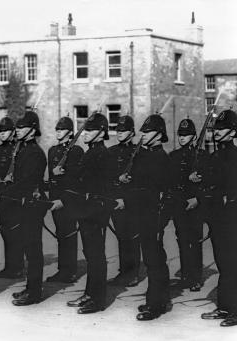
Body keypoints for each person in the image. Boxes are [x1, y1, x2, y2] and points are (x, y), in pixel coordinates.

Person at [0, 110, 47, 306]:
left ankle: (34, 292)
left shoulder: (34, 153)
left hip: (32, 204)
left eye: (22, 127)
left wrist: (3, 195)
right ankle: (31, 287)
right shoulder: (23, 150)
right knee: (28, 248)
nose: (19, 130)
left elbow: (26, 183)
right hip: (24, 205)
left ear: (32, 131)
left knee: (33, 250)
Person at [121, 114, 171, 321]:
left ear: (159, 135)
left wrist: (162, 219)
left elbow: (167, 192)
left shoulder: (162, 158)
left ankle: (156, 304)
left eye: (147, 131)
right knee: (151, 258)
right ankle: (157, 299)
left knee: (155, 259)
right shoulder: (141, 155)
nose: (143, 134)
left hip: (155, 214)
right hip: (140, 213)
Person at [66, 112, 111, 314]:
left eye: (90, 130)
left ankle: (97, 299)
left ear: (101, 134)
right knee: (90, 254)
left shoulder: (102, 154)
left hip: (96, 210)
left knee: (96, 255)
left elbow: (99, 185)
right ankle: (90, 294)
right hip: (87, 209)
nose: (84, 133)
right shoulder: (91, 152)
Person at [201, 109, 237, 327]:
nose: (217, 132)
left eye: (222, 129)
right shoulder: (214, 156)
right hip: (218, 218)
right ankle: (225, 306)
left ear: (233, 133)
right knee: (223, 263)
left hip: (233, 216)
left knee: (233, 264)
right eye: (216, 128)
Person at [46, 116, 84, 283]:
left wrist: (64, 199)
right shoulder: (52, 150)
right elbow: (51, 178)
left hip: (68, 199)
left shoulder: (76, 151)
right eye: (57, 129)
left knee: (68, 234)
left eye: (61, 130)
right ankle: (63, 269)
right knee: (60, 234)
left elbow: (76, 180)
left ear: (70, 133)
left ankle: (69, 271)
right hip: (54, 199)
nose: (58, 132)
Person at [169, 119, 204, 291]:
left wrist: (197, 198)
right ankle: (185, 276)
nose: (182, 138)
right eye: (180, 135)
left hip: (195, 204)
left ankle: (196, 277)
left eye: (186, 135)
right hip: (179, 204)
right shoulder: (173, 156)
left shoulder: (202, 155)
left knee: (195, 240)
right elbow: (170, 181)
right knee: (182, 239)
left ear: (194, 136)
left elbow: (207, 184)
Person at [107, 115, 140, 287]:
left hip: (132, 203)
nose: (119, 133)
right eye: (118, 130)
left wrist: (127, 198)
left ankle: (133, 273)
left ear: (132, 132)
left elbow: (141, 181)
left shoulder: (138, 152)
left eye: (124, 130)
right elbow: (106, 177)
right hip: (115, 201)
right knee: (121, 237)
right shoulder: (111, 152)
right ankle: (123, 271)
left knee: (133, 237)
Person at [0, 117, 25, 279]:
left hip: (14, 196)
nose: (2, 134)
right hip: (0, 194)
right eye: (0, 131)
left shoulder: (18, 150)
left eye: (5, 131)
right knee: (5, 231)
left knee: (15, 232)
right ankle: (10, 266)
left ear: (13, 132)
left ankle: (17, 267)